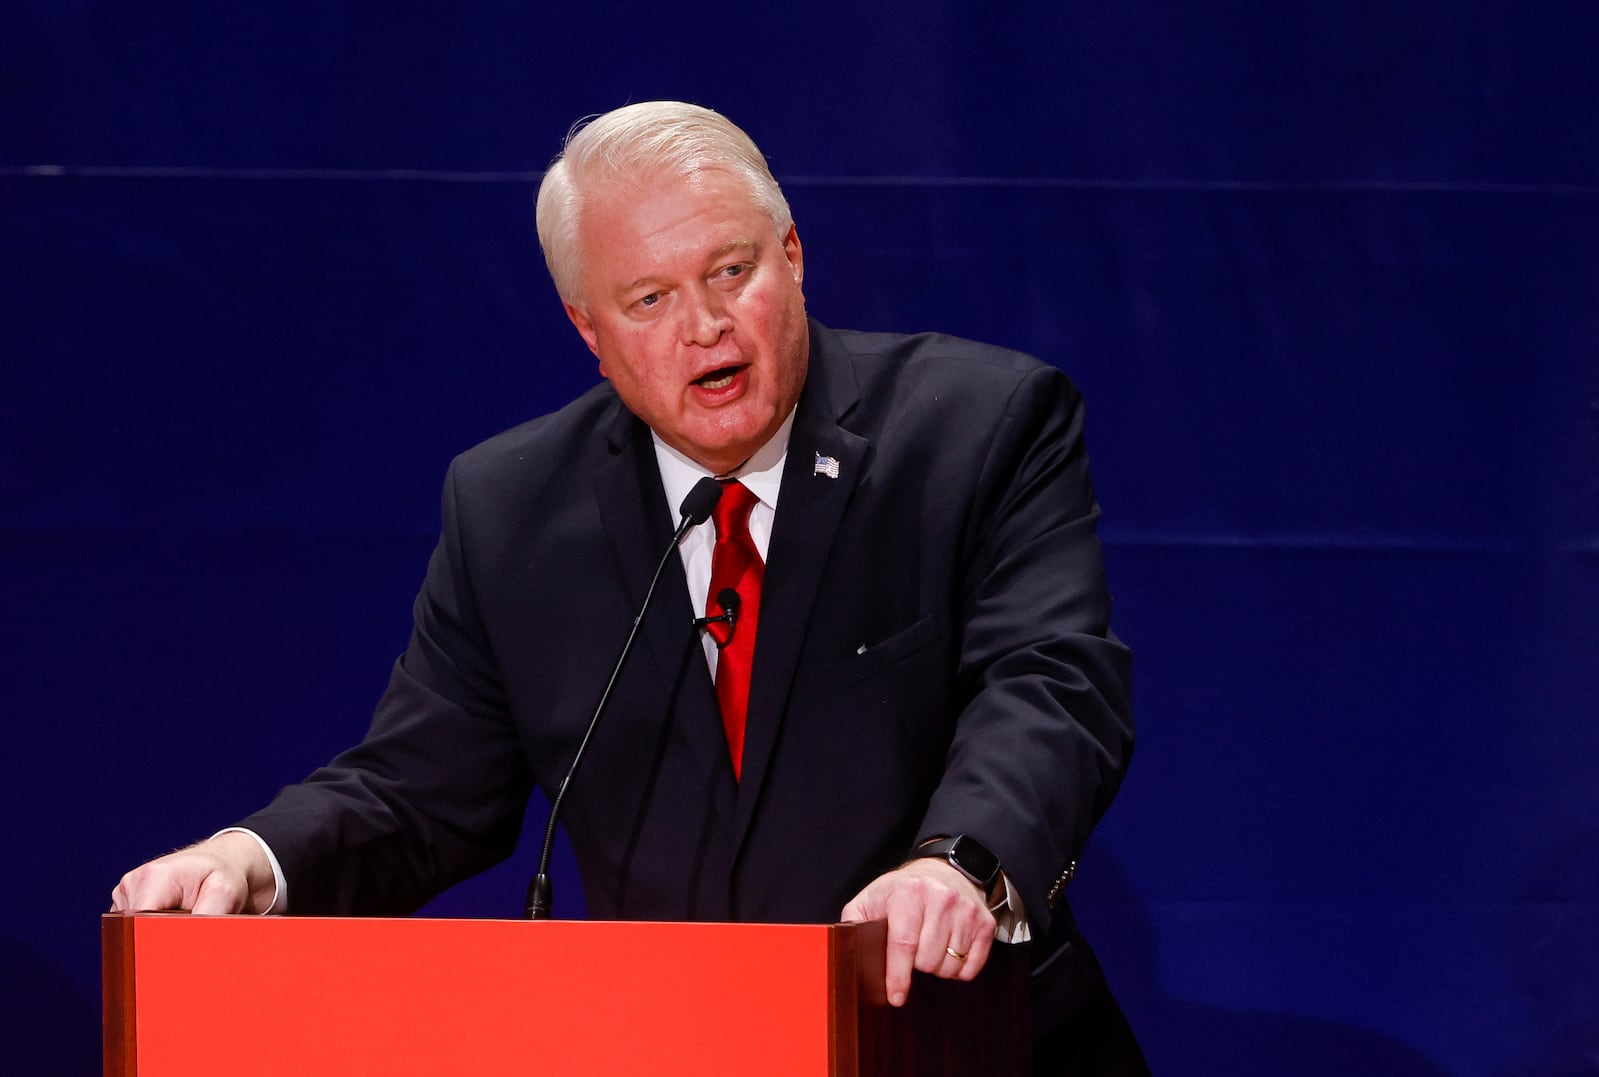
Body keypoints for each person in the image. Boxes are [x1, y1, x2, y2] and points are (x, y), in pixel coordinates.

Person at [112, 101, 1143, 1073]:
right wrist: (253, 859)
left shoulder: (979, 428)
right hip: (677, 1046)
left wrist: (954, 866)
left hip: (962, 1042)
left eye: (731, 270)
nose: (704, 325)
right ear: (587, 330)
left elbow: (1048, 685)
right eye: (648, 299)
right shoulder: (512, 507)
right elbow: (420, 786)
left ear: (791, 258)